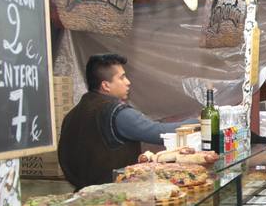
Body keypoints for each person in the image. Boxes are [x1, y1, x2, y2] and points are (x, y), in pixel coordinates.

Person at [58, 54, 192, 190]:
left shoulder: (72, 114)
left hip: (83, 194)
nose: (128, 82)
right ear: (105, 85)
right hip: (114, 195)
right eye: (122, 77)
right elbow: (157, 132)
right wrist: (199, 122)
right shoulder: (116, 112)